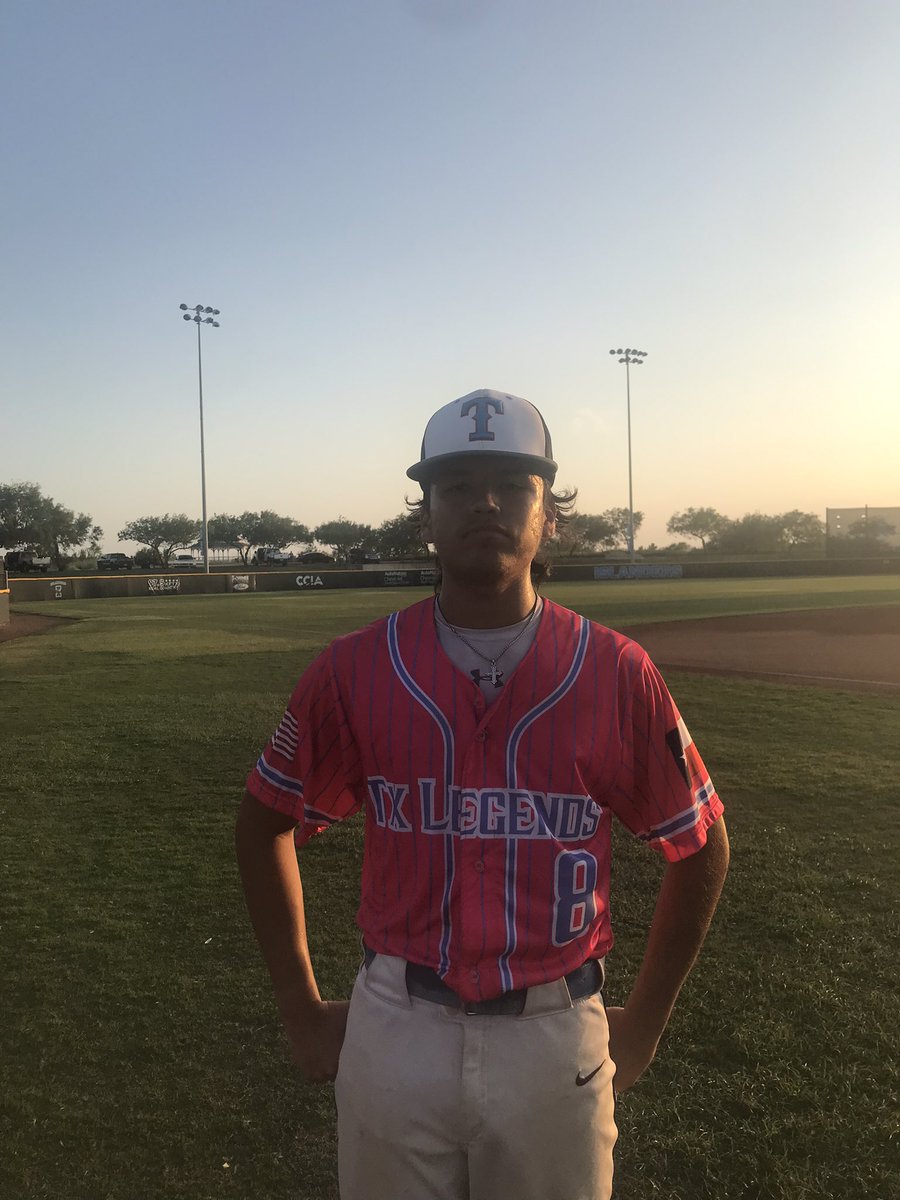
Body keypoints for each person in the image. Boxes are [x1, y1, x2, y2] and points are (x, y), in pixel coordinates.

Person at [236, 388, 729, 1200]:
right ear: (425, 516)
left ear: (549, 514)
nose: (486, 502)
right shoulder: (354, 669)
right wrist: (299, 1006)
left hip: (554, 1034)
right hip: (396, 1026)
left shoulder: (616, 671)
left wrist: (642, 1026)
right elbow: (263, 824)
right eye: (458, 485)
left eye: (512, 484)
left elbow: (701, 843)